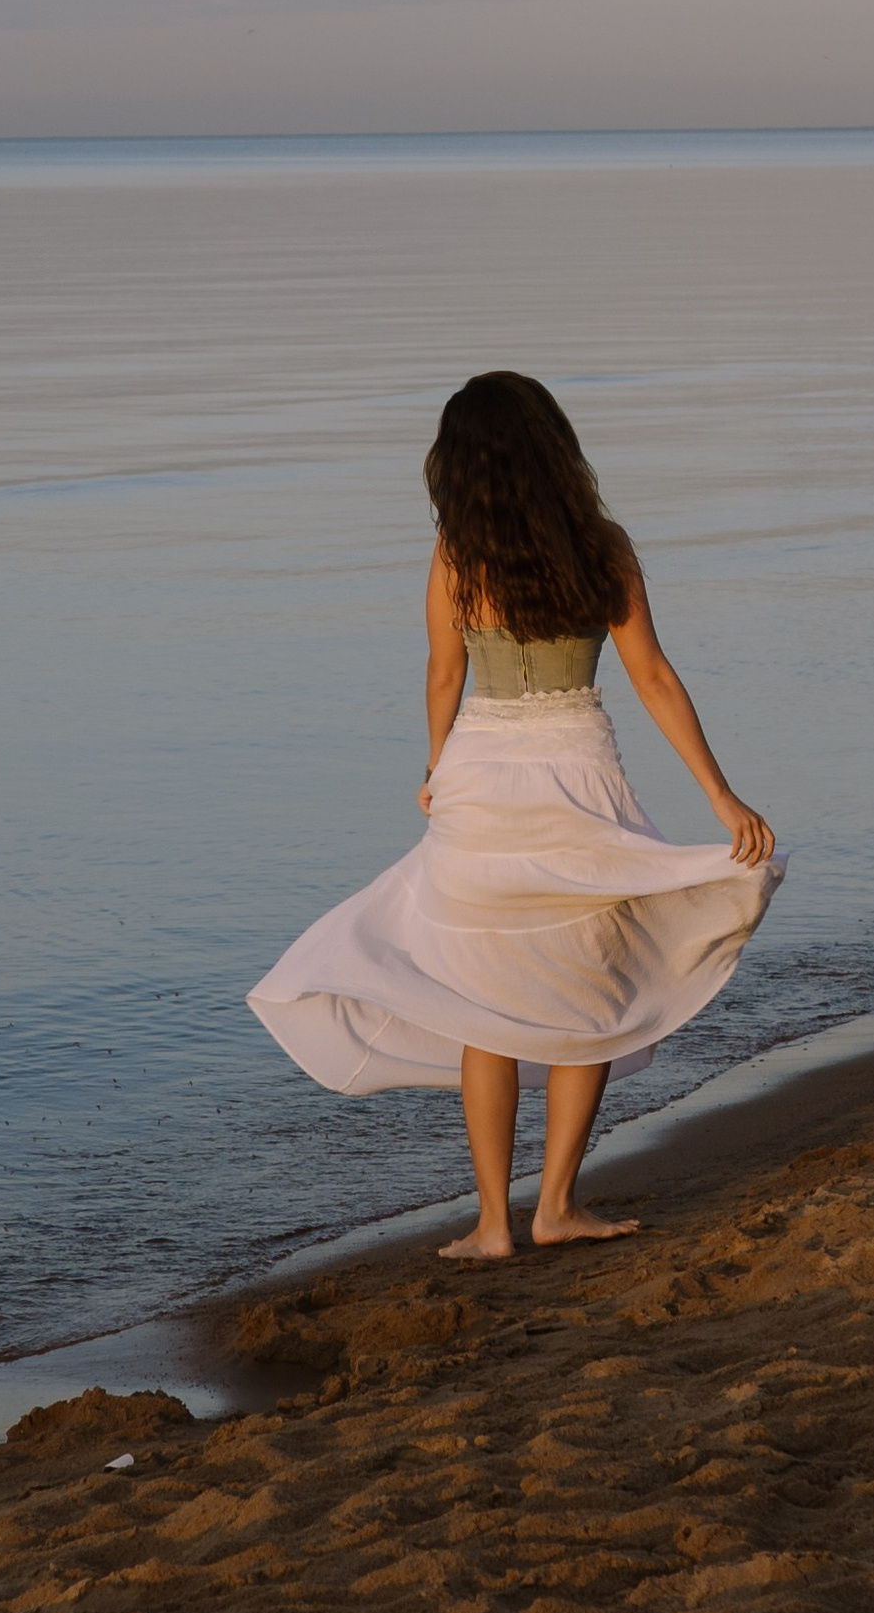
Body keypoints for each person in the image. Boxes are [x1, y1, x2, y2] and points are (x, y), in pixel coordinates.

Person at [249, 371, 778, 1261]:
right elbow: (652, 677)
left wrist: (433, 768)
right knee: (589, 996)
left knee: (480, 1009)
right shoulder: (603, 547)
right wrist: (719, 795)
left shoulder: (460, 555)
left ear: (461, 465)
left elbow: (442, 674)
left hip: (482, 788)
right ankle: (557, 1205)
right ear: (555, 448)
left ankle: (494, 1224)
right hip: (580, 778)